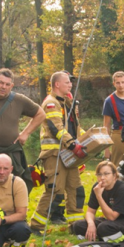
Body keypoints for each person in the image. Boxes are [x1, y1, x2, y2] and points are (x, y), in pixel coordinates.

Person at [30, 71, 87, 232]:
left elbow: (75, 129)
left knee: (76, 189)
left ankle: (76, 226)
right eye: (67, 82)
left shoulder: (67, 103)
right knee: (54, 191)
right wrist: (73, 146)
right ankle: (35, 226)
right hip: (54, 155)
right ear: (57, 84)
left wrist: (90, 139)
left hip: (68, 154)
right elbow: (56, 128)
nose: (70, 85)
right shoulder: (51, 103)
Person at [70, 160, 124, 244]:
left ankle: (123, 245)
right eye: (99, 174)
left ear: (115, 176)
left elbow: (112, 217)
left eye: (106, 174)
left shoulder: (122, 189)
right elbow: (90, 212)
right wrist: (91, 224)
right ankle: (97, 243)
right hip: (111, 223)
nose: (102, 177)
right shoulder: (97, 187)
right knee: (78, 225)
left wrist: (99, 196)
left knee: (104, 228)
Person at [103, 71, 124, 164]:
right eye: (118, 83)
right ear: (114, 84)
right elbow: (106, 126)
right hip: (119, 134)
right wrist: (106, 149)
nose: (121, 85)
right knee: (118, 164)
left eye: (123, 82)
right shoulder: (109, 101)